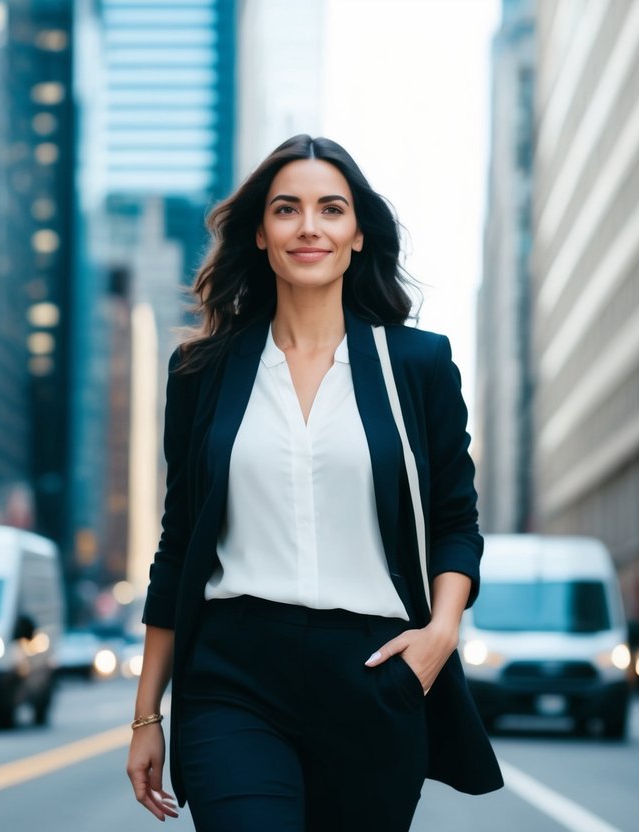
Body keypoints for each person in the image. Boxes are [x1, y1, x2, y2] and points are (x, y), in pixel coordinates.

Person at [126, 135, 503, 831]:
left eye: (330, 209)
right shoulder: (202, 373)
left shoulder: (416, 366)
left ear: (357, 234)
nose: (308, 227)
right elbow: (177, 544)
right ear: (261, 236)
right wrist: (148, 713)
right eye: (286, 210)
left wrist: (440, 633)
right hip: (232, 677)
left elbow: (455, 522)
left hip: (373, 674)